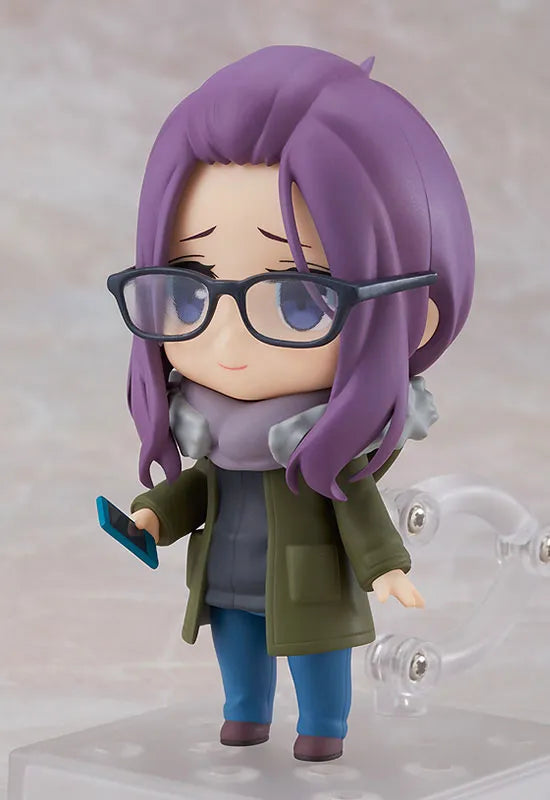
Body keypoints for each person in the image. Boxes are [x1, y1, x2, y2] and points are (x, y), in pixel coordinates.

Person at [106, 45, 475, 762]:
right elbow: (201, 488)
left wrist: (385, 567)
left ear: (414, 313)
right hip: (224, 576)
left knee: (316, 654)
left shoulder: (319, 440)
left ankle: (323, 725)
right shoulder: (207, 426)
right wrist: (153, 514)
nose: (226, 336)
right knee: (237, 649)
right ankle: (245, 712)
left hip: (308, 582)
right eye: (188, 288)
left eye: (300, 299)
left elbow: (356, 504)